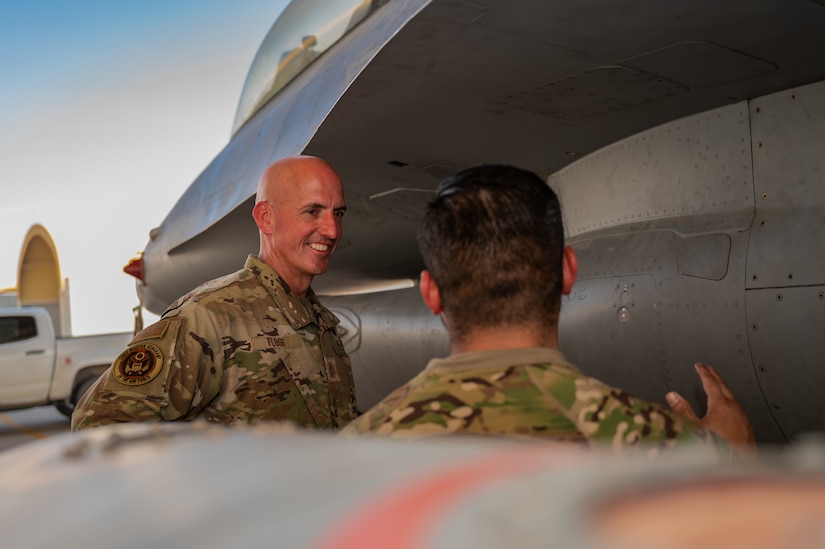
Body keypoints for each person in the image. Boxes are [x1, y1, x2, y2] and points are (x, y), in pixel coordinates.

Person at [341, 164, 756, 457]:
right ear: (568, 271)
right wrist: (736, 462)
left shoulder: (350, 454)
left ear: (431, 294)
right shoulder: (667, 448)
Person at [72, 156, 357, 431]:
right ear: (266, 218)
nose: (332, 230)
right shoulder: (208, 317)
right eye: (312, 211)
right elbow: (99, 424)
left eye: (338, 213)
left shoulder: (320, 323)